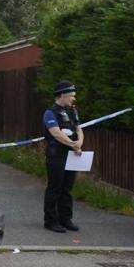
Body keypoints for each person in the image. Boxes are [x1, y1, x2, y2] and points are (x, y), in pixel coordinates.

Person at [42, 81, 84, 233]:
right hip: (56, 155)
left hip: (71, 154)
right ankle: (50, 221)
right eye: (71, 95)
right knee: (55, 187)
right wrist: (74, 145)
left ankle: (66, 219)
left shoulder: (73, 111)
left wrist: (79, 142)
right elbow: (56, 133)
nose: (74, 98)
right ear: (63, 94)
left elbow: (79, 129)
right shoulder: (50, 112)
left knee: (67, 188)